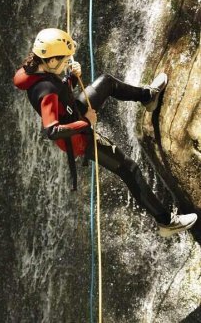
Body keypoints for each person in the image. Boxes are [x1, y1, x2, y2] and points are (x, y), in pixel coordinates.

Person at [13, 28, 197, 237]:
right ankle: (167, 222)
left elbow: (62, 96)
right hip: (78, 138)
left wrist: (71, 78)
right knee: (129, 168)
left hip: (75, 114)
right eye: (63, 60)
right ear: (52, 60)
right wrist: (86, 122)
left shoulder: (37, 70)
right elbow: (53, 130)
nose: (65, 63)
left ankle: (147, 96)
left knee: (107, 82)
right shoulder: (44, 91)